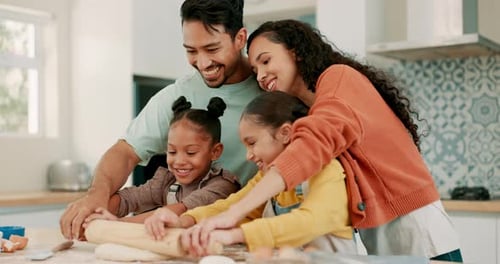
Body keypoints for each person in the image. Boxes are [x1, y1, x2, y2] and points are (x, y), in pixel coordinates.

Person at [191, 19, 463, 262]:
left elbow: (312, 145)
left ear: (295, 52)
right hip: (381, 233)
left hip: (416, 227)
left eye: (266, 61)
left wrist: (233, 215)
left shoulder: (338, 77)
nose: (261, 75)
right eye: (255, 68)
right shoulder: (312, 109)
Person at [60, 0, 262, 240]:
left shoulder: (270, 85)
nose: (203, 63)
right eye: (191, 51)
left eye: (212, 49)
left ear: (240, 38)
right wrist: (96, 197)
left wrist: (116, 227)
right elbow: (125, 152)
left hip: (251, 231)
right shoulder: (179, 94)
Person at [145, 91, 358, 257]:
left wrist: (234, 235)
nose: (248, 155)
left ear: (285, 133)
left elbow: (307, 223)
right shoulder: (266, 177)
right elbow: (232, 206)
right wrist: (184, 221)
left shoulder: (328, 171)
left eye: (252, 143)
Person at [82, 96, 240, 225]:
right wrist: (93, 213)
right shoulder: (167, 181)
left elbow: (180, 211)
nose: (179, 161)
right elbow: (128, 199)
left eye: (190, 153)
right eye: (172, 151)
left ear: (215, 151)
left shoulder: (222, 186)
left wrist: (115, 224)